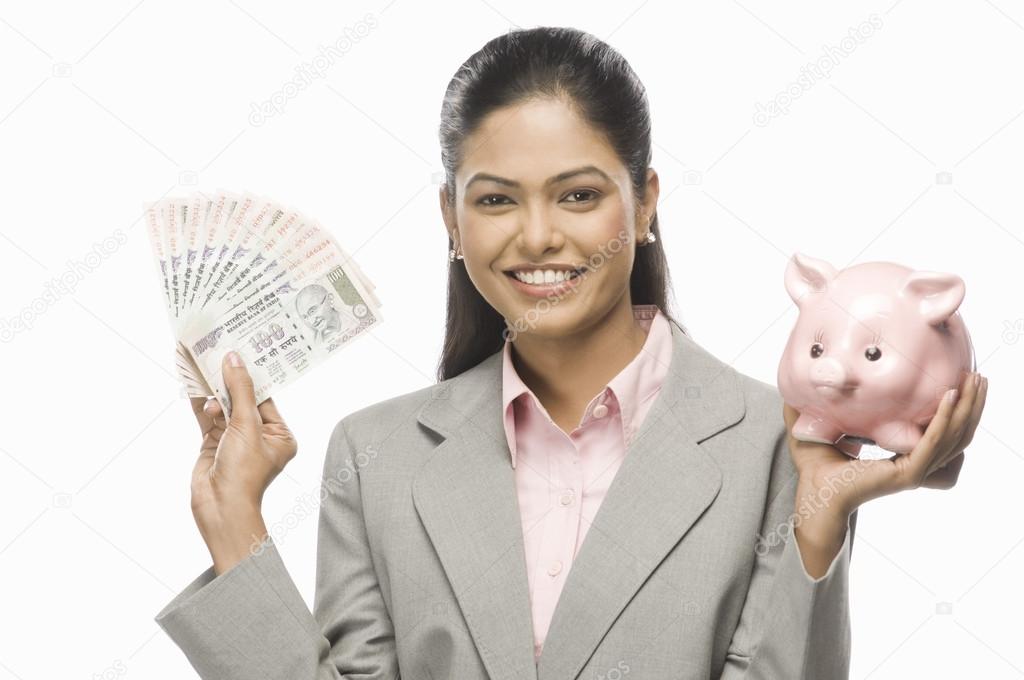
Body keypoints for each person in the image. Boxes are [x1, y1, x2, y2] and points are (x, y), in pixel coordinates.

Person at [154, 26, 988, 679]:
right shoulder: (374, 457)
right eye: (496, 200)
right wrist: (236, 534)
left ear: (645, 199)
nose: (540, 236)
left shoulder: (781, 446)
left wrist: (820, 522)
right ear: (451, 218)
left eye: (580, 195)